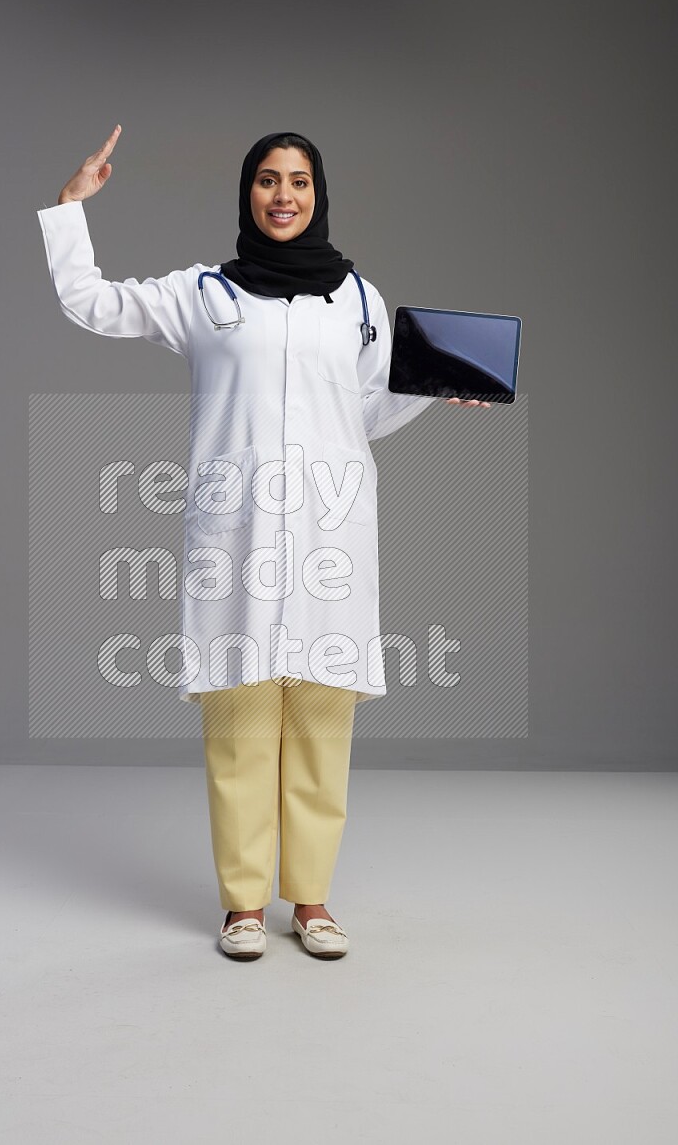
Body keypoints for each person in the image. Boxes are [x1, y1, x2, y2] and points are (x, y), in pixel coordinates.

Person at [37, 126, 490, 961]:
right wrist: (71, 211)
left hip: (327, 531)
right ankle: (244, 904)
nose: (284, 195)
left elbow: (369, 408)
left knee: (322, 718)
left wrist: (439, 385)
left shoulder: (356, 300)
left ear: (319, 196)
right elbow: (94, 303)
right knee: (241, 721)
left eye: (300, 182)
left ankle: (311, 901)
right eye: (269, 181)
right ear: (247, 193)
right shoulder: (202, 294)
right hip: (236, 535)